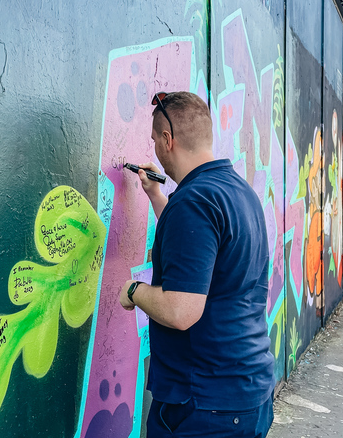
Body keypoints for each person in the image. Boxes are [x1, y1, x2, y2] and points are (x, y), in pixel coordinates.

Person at [119, 91, 275, 437]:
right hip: (246, 393)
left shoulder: (194, 201)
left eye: (154, 140)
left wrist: (133, 291)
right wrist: (156, 196)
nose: (155, 150)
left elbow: (181, 311)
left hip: (205, 406)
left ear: (167, 139)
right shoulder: (237, 192)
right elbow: (196, 253)